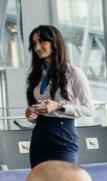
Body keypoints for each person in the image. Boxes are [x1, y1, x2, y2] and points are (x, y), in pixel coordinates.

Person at [24, 25, 95, 167]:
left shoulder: (74, 73)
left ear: (55, 43)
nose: (37, 47)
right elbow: (36, 111)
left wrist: (59, 106)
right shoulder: (35, 75)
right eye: (34, 43)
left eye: (42, 42)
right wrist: (31, 113)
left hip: (64, 135)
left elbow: (89, 109)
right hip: (40, 134)